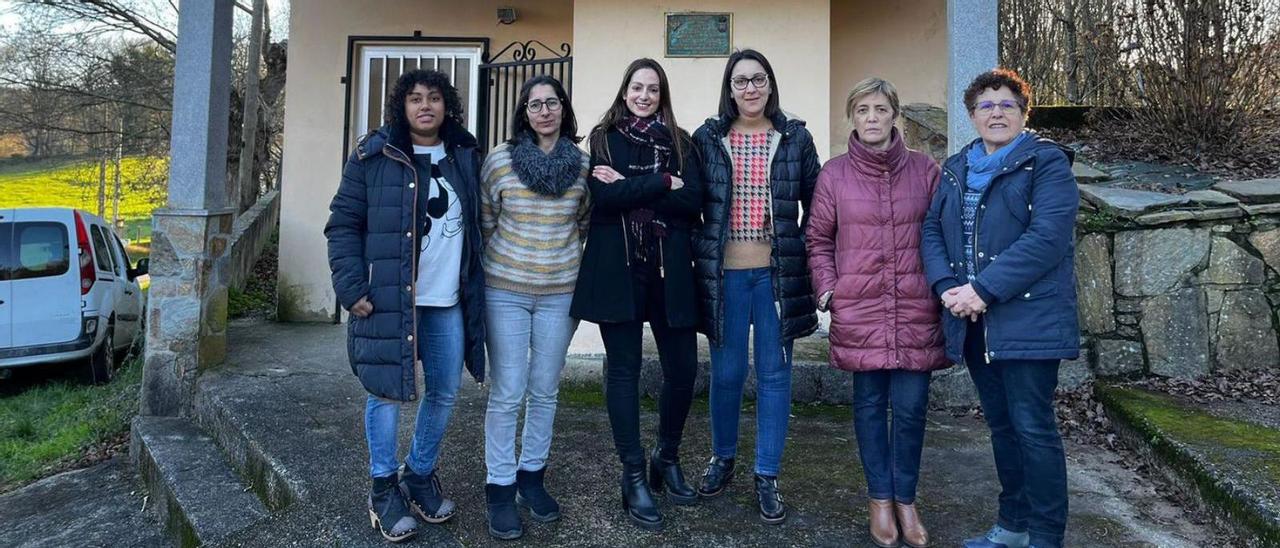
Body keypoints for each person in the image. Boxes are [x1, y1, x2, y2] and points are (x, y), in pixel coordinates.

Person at [324, 69, 486, 544]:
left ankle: (417, 474)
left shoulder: (464, 154)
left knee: (444, 391)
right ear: (402, 105)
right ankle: (382, 490)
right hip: (388, 300)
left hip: (446, 300)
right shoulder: (374, 155)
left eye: (434, 98)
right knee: (386, 392)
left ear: (446, 105)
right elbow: (343, 225)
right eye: (415, 98)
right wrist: (351, 288)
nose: (425, 106)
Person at [920, 68, 1078, 548]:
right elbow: (931, 230)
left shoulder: (1046, 164)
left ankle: (1046, 536)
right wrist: (948, 286)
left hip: (1027, 320)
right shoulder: (956, 167)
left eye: (1007, 104)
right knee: (1003, 427)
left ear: (1023, 112)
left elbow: (1046, 239)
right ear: (971, 116)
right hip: (973, 325)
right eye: (986, 105)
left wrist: (982, 289)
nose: (996, 113)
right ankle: (1013, 525)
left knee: (1033, 428)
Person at [806, 77, 948, 548]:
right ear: (853, 117)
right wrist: (829, 291)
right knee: (869, 409)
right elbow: (818, 239)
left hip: (915, 309)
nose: (872, 118)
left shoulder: (926, 171)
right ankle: (880, 500)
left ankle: (906, 500)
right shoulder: (834, 174)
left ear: (894, 115)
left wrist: (942, 288)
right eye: (863, 110)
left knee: (910, 410)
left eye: (880, 110)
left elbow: (942, 235)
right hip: (860, 310)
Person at [570, 58, 705, 531]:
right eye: (637, 87)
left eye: (653, 89)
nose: (644, 96)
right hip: (619, 271)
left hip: (671, 271)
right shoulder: (603, 137)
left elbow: (695, 202)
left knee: (683, 370)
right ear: (624, 90)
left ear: (662, 95)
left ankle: (665, 457)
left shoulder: (683, 143)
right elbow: (604, 200)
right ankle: (632, 474)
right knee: (623, 373)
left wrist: (633, 186)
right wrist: (665, 181)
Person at [691, 48, 819, 525]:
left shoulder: (794, 137)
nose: (750, 88)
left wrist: (796, 249)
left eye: (758, 79)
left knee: (773, 374)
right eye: (741, 81)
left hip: (775, 277)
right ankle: (723, 457)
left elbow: (818, 205)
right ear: (729, 89)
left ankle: (766, 473)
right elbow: (693, 201)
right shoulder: (708, 138)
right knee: (725, 374)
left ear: (770, 85)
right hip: (724, 275)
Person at [478, 75, 590, 540]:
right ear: (523, 112)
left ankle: (532, 478)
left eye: (552, 103)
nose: (544, 111)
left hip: (560, 293)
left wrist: (555, 262)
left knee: (545, 389)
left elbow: (583, 224)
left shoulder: (583, 165)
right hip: (504, 289)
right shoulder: (500, 161)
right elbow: (487, 220)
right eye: (535, 104)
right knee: (508, 391)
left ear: (564, 109)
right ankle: (500, 488)